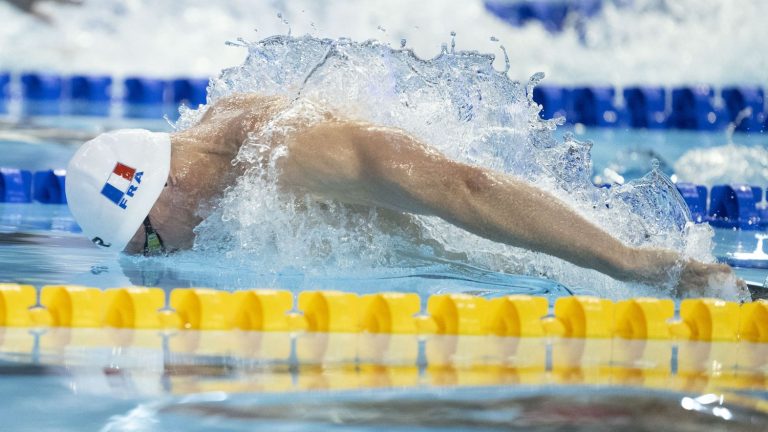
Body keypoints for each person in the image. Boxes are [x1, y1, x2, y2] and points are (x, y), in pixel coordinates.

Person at [66, 93, 740, 295]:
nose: (160, 260)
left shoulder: (290, 159)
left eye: (149, 243)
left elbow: (461, 185)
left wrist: (627, 261)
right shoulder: (206, 139)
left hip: (526, 256)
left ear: (168, 185)